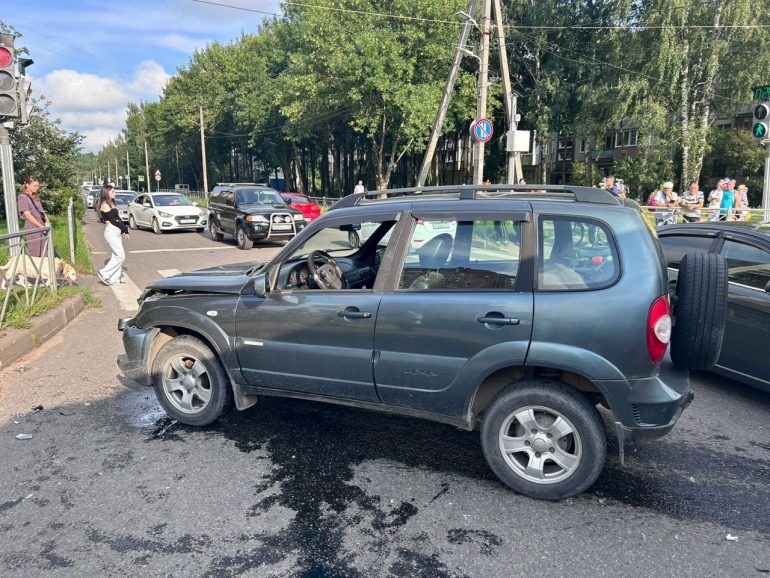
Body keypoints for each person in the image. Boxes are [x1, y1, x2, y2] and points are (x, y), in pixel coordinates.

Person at [97, 184, 130, 285]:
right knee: (121, 255)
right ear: (106, 193)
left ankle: (114, 279)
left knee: (116, 255)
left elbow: (118, 218)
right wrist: (125, 228)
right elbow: (113, 221)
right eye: (112, 191)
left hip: (116, 232)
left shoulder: (111, 203)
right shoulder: (104, 204)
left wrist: (125, 231)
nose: (115, 193)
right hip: (111, 232)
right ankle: (104, 273)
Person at [17, 176, 50, 258]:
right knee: (35, 252)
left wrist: (47, 222)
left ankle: (42, 270)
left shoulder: (35, 197)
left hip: (42, 227)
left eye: (38, 186)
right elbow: (28, 215)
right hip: (33, 228)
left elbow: (42, 211)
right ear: (27, 185)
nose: (37, 188)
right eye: (34, 186)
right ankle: (33, 270)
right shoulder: (22, 197)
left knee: (44, 252)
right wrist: (40, 226)